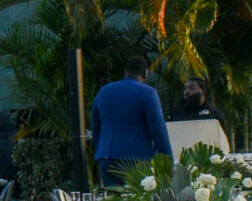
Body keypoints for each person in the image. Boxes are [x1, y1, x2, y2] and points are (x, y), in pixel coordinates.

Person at [91, 56, 172, 185]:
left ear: (125, 71)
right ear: (146, 73)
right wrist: (168, 160)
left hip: (107, 156)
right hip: (137, 158)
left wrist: (100, 149)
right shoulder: (148, 93)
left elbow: (95, 127)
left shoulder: (104, 91)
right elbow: (158, 129)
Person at [168, 78, 231, 155]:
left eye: (191, 88)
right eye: (186, 88)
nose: (187, 91)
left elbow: (223, 139)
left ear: (202, 90)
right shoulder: (176, 112)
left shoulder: (214, 113)